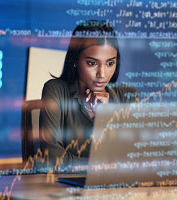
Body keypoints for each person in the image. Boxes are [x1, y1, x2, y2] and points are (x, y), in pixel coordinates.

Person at [39, 20, 138, 169]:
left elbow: (132, 159)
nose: (102, 74)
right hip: (65, 188)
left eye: (110, 63)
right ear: (75, 61)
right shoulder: (55, 90)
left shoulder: (128, 97)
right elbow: (53, 158)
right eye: (92, 63)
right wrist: (97, 166)